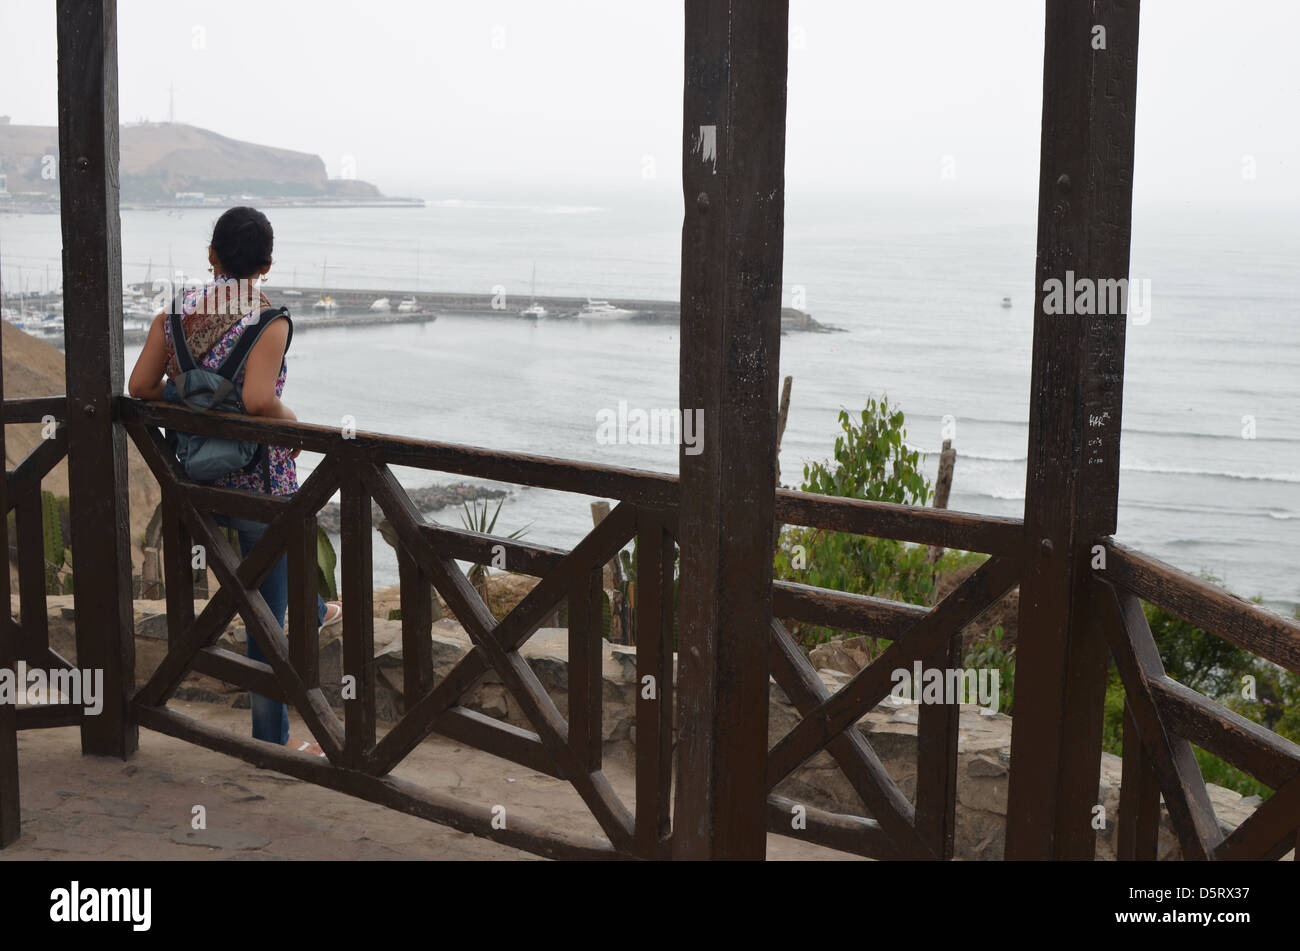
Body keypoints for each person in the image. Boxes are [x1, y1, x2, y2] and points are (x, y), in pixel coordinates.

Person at [128, 206, 341, 756]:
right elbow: (258, 400)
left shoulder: (173, 313)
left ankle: (316, 612)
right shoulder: (269, 321)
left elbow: (141, 386)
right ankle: (271, 744)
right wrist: (295, 429)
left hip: (196, 481)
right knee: (262, 617)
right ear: (267, 265)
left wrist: (190, 394)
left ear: (211, 255)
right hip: (259, 485)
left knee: (267, 584)